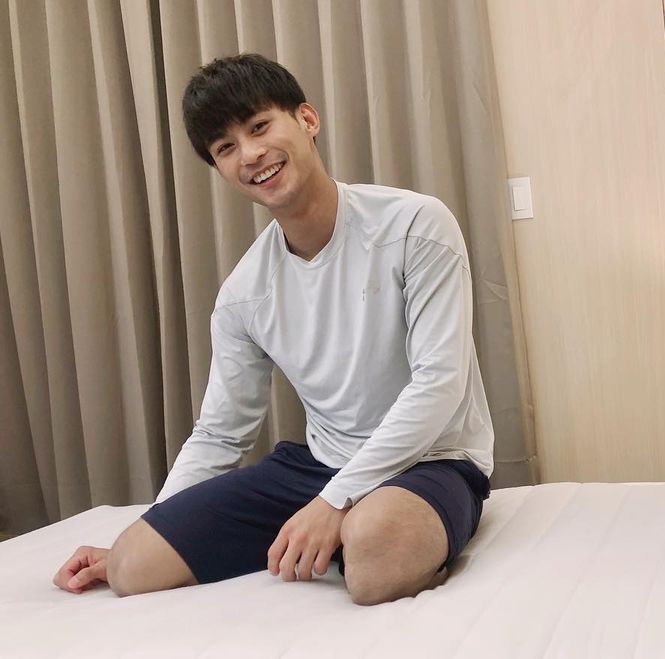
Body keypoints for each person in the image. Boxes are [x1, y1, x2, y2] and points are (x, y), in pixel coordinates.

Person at [51, 53, 494, 606]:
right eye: (226, 148)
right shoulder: (244, 293)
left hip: (431, 458)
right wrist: (154, 523)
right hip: (319, 466)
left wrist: (335, 503)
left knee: (376, 558)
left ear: (307, 120)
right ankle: (340, 532)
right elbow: (221, 432)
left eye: (259, 127)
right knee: (132, 567)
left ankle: (365, 532)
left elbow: (439, 382)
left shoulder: (415, 224)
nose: (250, 155)